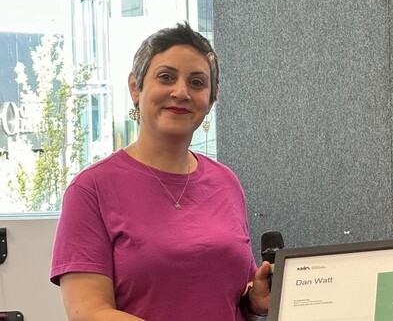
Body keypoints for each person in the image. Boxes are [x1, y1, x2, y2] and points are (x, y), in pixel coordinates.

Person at [50, 22, 271, 320]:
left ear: (212, 98)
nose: (181, 92)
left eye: (197, 83)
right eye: (166, 77)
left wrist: (255, 300)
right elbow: (89, 312)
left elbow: (230, 296)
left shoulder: (225, 182)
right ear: (135, 87)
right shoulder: (91, 189)